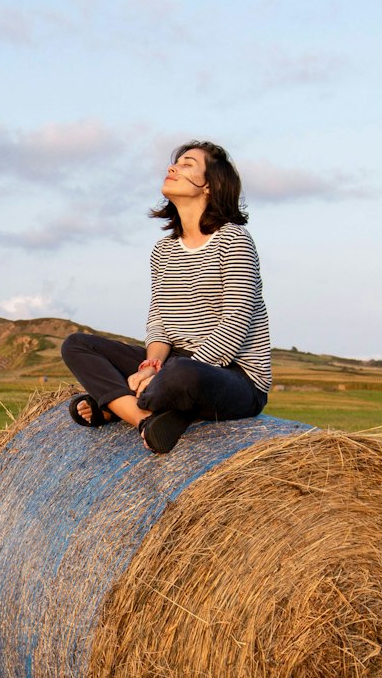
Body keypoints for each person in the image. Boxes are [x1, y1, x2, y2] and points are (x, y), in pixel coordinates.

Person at [60, 141, 271, 454]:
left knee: (181, 375)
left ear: (211, 185)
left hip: (233, 377)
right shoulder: (163, 251)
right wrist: (151, 366)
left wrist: (162, 375)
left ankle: (113, 405)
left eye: (187, 164)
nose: (172, 168)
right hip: (173, 364)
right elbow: (159, 322)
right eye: (174, 163)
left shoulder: (234, 240)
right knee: (77, 345)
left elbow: (235, 324)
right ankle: (142, 417)